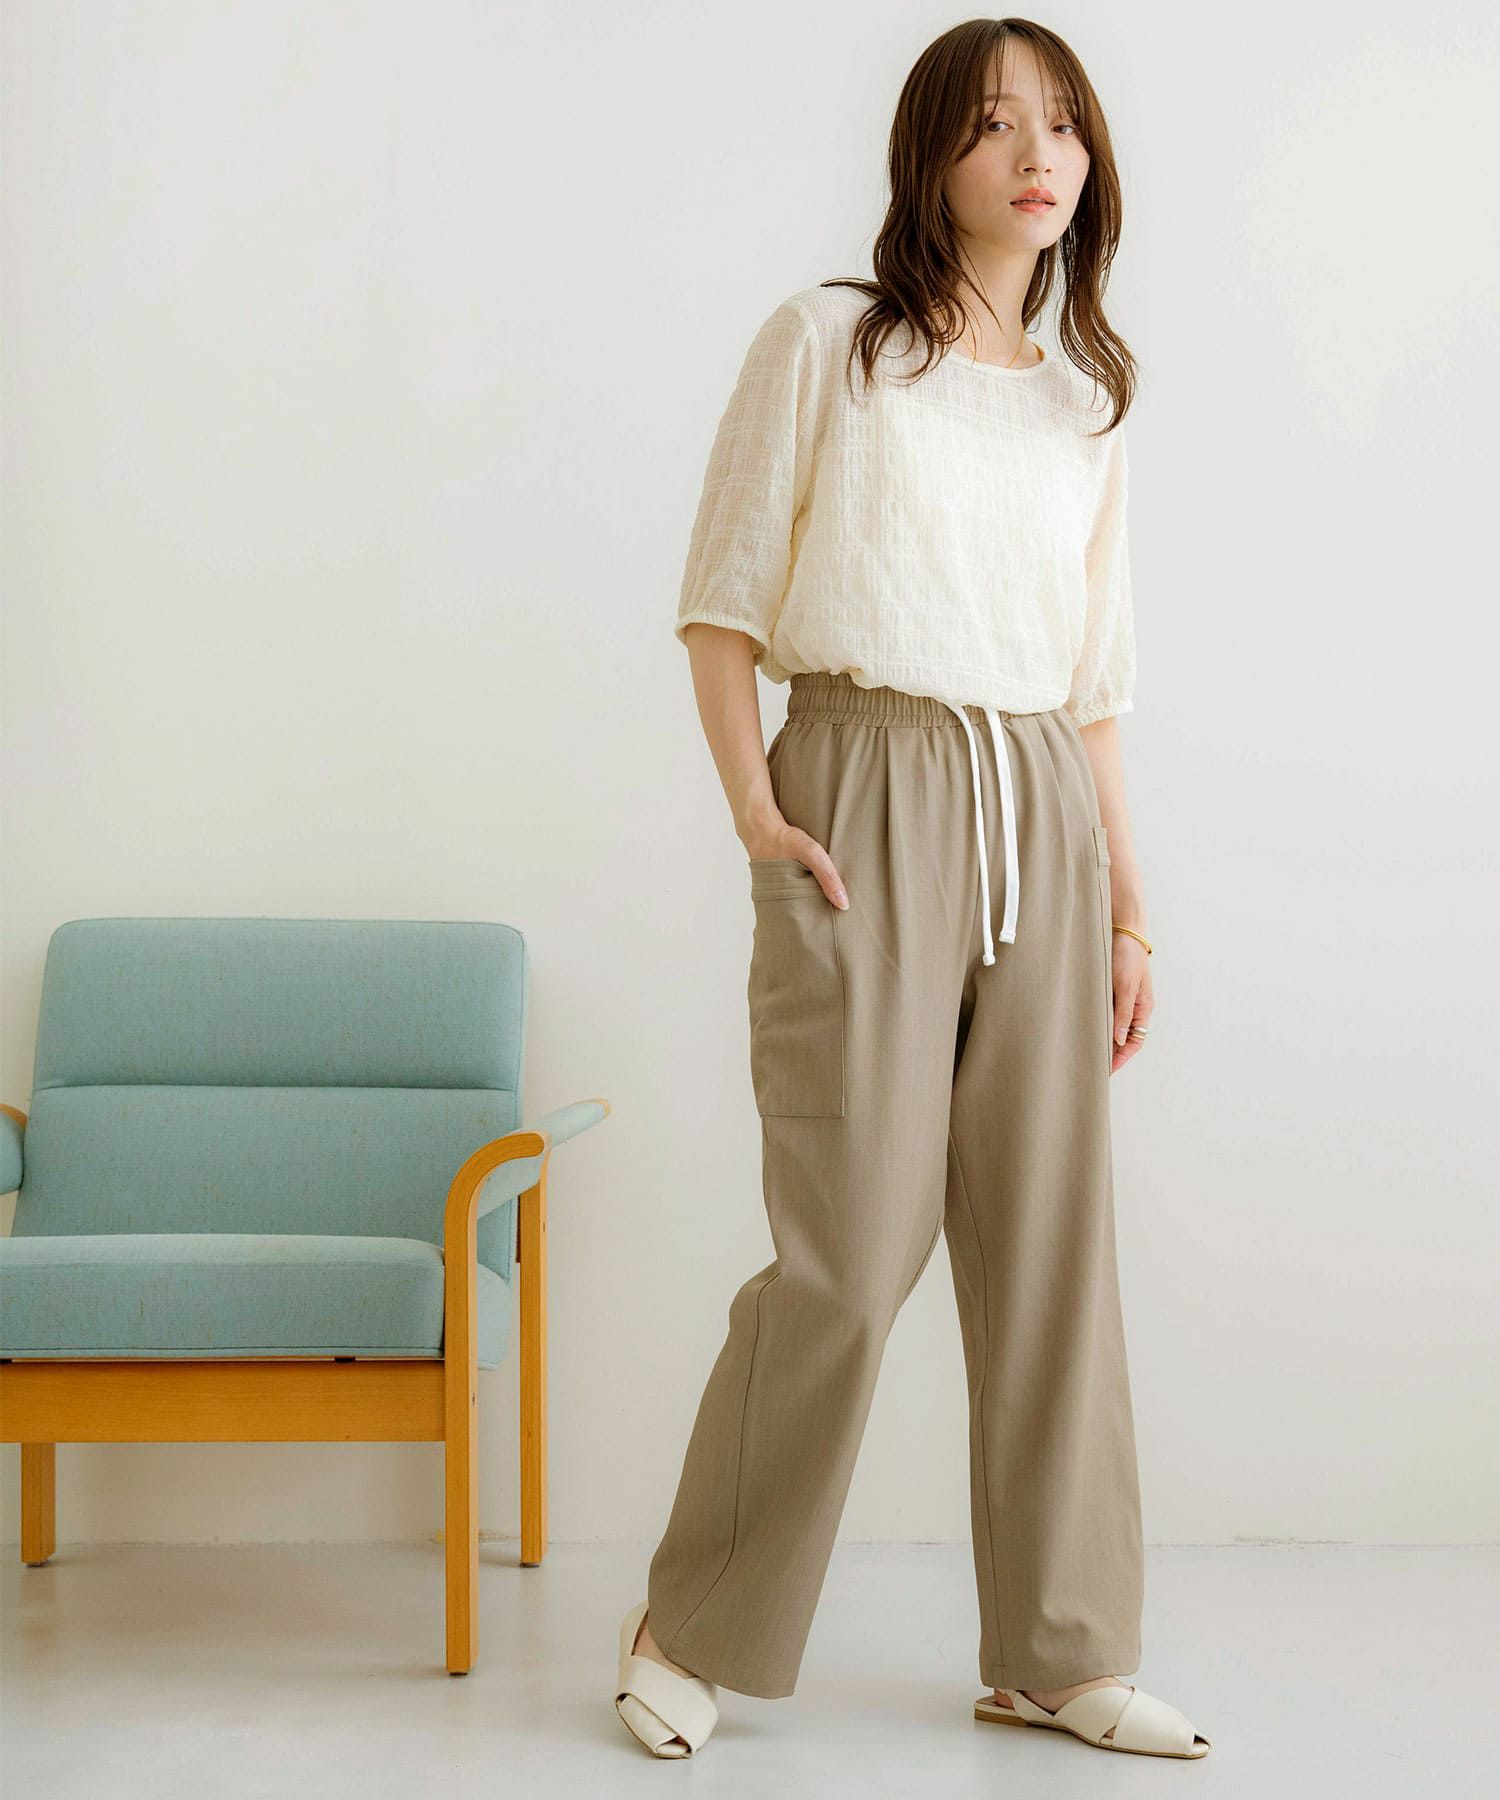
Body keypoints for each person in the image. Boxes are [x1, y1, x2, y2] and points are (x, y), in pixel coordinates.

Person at [614, 17, 1210, 1762]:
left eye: (1063, 126)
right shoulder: (828, 344)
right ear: (932, 155)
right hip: (861, 787)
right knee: (850, 1253)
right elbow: (723, 604)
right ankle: (688, 1623)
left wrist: (1131, 910)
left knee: (1049, 1249)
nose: (1038, 155)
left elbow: (1093, 686)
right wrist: (757, 814)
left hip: (1041, 804)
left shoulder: (1087, 402)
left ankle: (1057, 1649)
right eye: (996, 124)